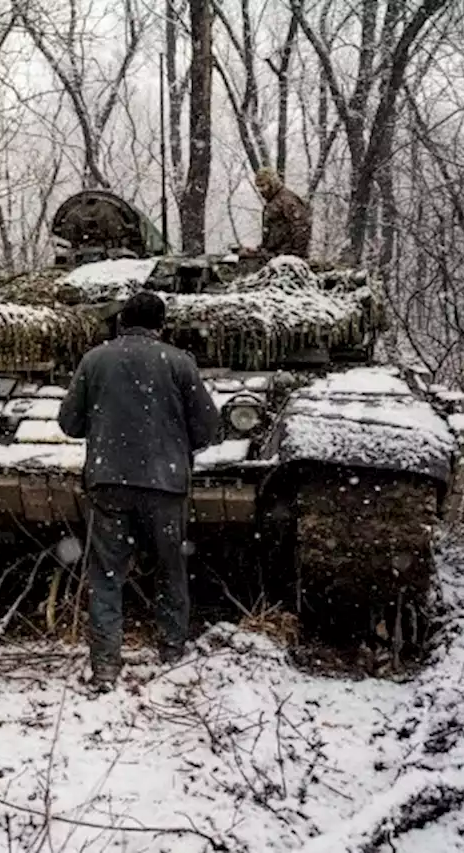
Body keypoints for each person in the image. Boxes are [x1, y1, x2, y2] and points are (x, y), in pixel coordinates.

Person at [58, 291, 219, 691]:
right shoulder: (179, 362)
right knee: (170, 568)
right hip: (165, 484)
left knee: (107, 575)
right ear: (160, 325)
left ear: (121, 321)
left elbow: (68, 423)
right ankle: (171, 650)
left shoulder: (95, 359)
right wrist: (175, 446)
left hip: (108, 481)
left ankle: (106, 667)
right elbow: (208, 427)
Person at [254, 167, 312, 258]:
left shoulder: (287, 200)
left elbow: (302, 227)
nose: (260, 190)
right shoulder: (272, 202)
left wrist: (296, 254)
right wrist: (262, 249)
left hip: (286, 255)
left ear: (271, 183)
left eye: (263, 185)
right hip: (275, 254)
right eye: (258, 187)